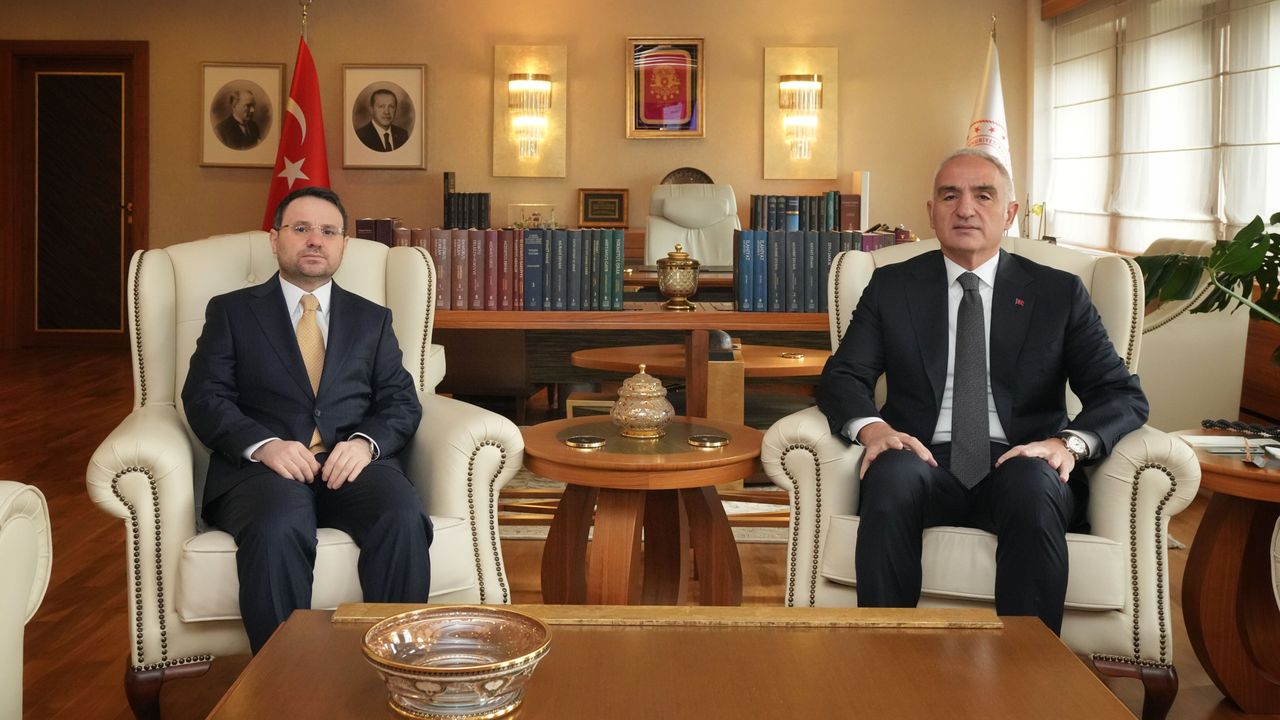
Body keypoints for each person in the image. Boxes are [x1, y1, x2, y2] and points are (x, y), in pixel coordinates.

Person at [816, 148, 1148, 634]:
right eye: (950, 196)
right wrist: (874, 430)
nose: (965, 209)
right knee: (892, 475)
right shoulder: (892, 286)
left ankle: (1026, 669)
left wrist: (1067, 445)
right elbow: (843, 377)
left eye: (983, 195)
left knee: (1034, 482)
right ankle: (887, 658)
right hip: (922, 458)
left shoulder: (1059, 293)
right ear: (931, 211)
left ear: (1009, 213)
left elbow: (1119, 393)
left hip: (1021, 459)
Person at [182, 186, 431, 653]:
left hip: (350, 465)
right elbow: (204, 396)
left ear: (343, 245)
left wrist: (364, 444)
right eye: (301, 228)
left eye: (328, 231)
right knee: (277, 526)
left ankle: (400, 667)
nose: (316, 240)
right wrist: (264, 446)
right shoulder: (232, 311)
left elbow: (401, 402)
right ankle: (282, 679)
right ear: (274, 239)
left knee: (401, 515)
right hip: (263, 472)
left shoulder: (372, 319)